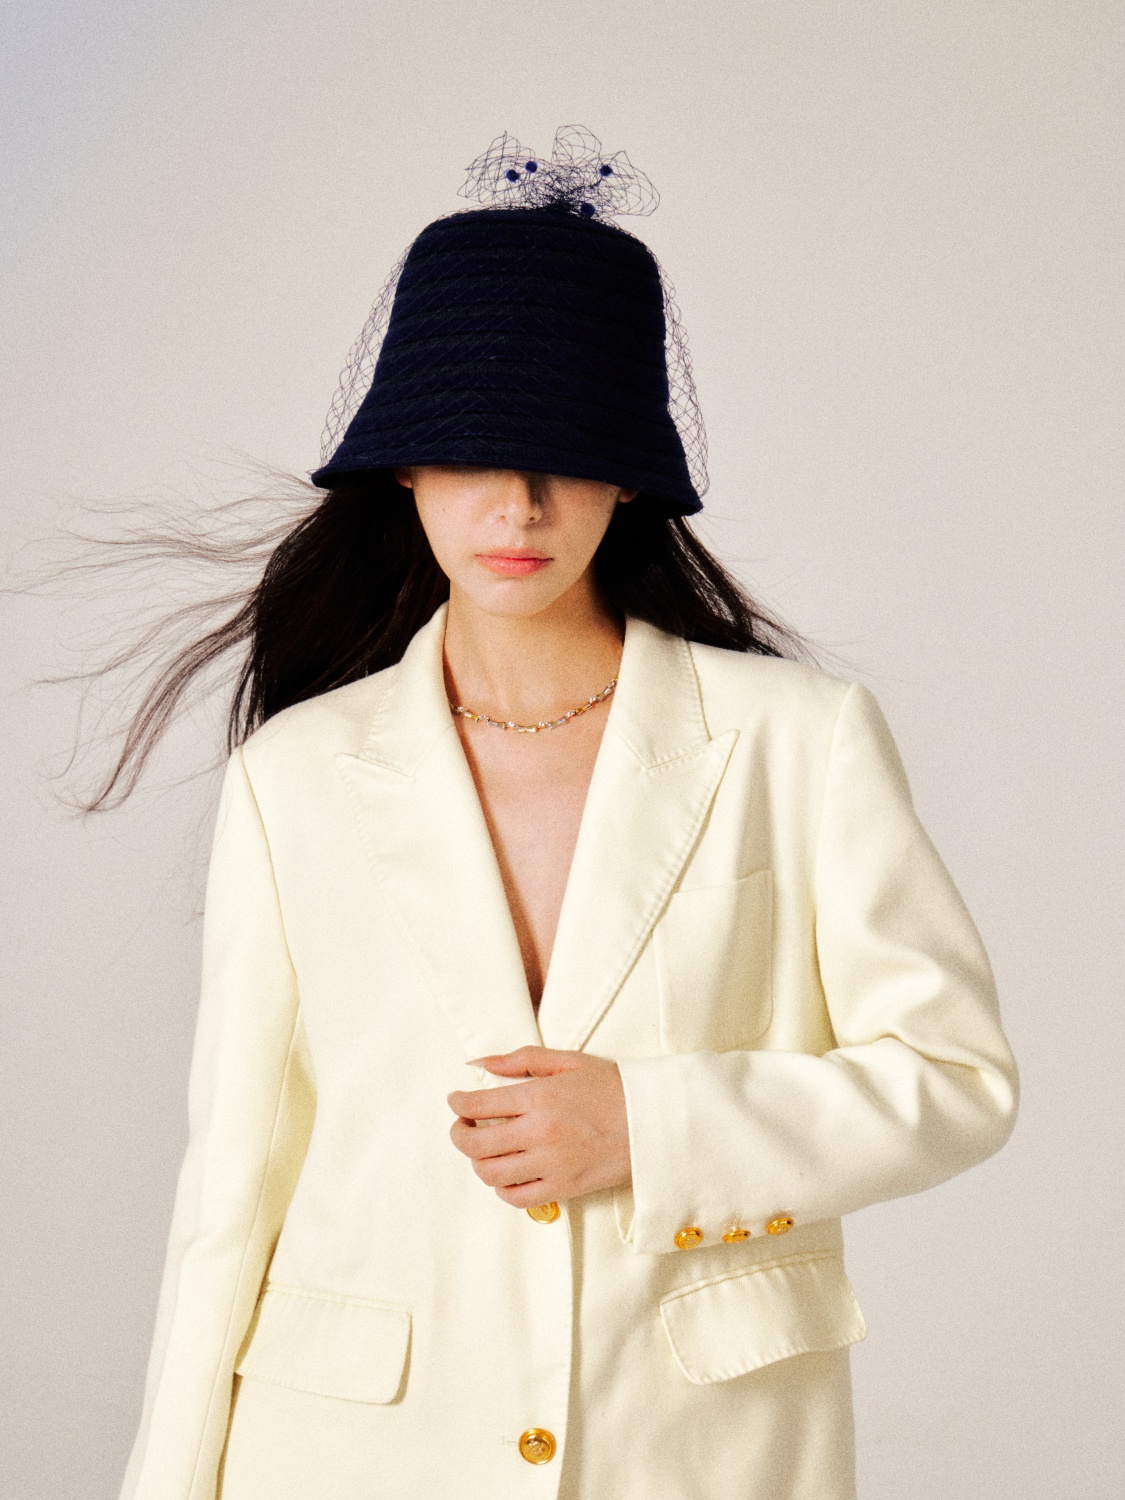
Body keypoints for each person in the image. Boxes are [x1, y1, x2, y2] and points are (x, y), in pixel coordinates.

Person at [116, 128, 1018, 1500]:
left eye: (565, 457)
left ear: (627, 476)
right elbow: (232, 1188)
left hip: (696, 1453)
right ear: (403, 469)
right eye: (471, 454)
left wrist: (654, 1127)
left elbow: (956, 1081)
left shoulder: (797, 740)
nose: (520, 507)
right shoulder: (295, 774)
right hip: (353, 1452)